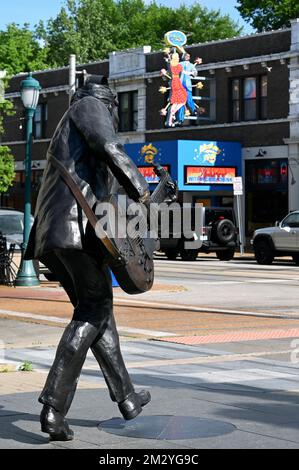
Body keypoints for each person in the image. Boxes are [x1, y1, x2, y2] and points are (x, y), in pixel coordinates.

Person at [24, 75, 151, 442]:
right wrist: (141, 189)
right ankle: (53, 406)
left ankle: (127, 398)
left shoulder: (71, 128)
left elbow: (104, 194)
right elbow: (109, 146)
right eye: (114, 107)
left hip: (57, 235)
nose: (113, 114)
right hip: (73, 233)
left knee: (99, 312)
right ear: (108, 101)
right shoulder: (88, 105)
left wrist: (146, 199)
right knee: (92, 311)